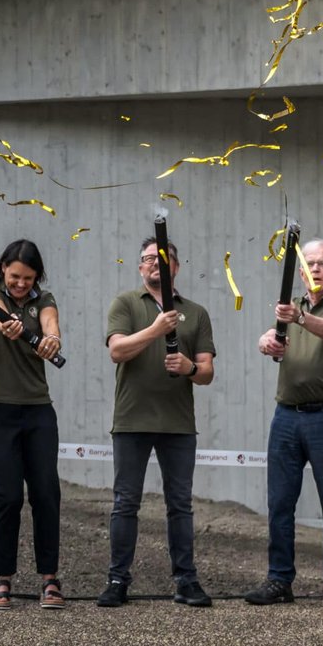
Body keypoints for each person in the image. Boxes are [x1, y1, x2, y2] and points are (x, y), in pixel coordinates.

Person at [97, 236, 217, 608]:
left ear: (175, 268)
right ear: (140, 266)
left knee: (180, 504)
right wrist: (156, 328)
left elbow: (207, 371)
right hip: (131, 420)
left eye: (162, 259)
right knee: (125, 503)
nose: (154, 264)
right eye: (147, 259)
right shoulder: (126, 303)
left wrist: (189, 367)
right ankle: (117, 579)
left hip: (178, 425)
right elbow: (117, 350)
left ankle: (186, 580)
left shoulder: (195, 312)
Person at [246, 239, 323, 611]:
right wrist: (267, 340)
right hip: (286, 415)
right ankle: (280, 579)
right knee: (280, 503)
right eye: (308, 264)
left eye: (322, 264)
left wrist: (297, 318)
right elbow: (275, 341)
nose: (314, 269)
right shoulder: (290, 308)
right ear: (299, 271)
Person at [0, 240, 65, 611]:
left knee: (46, 493)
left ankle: (50, 579)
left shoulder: (44, 298)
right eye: (14, 276)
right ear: (3, 270)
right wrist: (5, 322)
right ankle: (3, 577)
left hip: (38, 409)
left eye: (27, 278)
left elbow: (51, 324)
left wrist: (52, 341)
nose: (20, 284)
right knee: (7, 497)